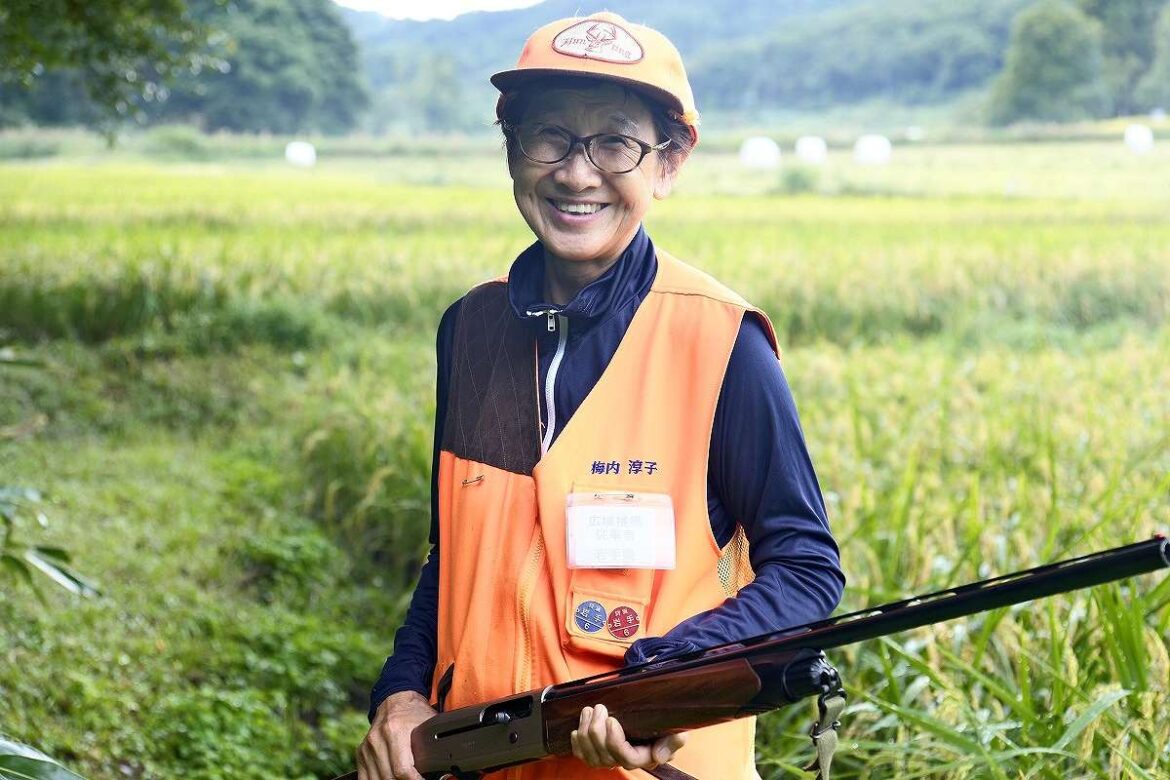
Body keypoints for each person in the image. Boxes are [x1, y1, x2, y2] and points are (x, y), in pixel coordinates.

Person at [357, 12, 844, 780]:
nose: (577, 174)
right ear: (512, 151)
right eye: (548, 135)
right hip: (479, 763)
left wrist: (670, 675)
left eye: (615, 142)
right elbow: (452, 555)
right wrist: (400, 696)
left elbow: (806, 569)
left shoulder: (722, 343)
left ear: (669, 162)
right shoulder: (473, 331)